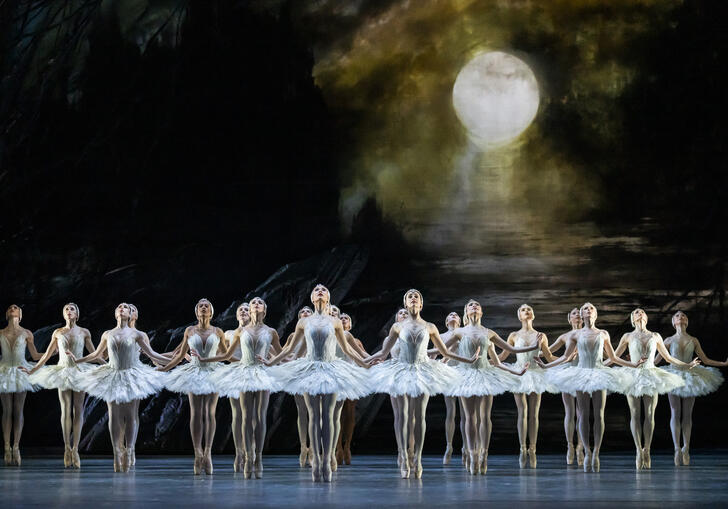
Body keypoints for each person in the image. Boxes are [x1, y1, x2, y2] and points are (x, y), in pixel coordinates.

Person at [261, 284, 371, 482]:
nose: (320, 290)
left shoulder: (335, 321)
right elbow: (290, 350)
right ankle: (316, 458)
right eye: (316, 289)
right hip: (310, 368)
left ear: (328, 298)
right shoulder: (304, 322)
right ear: (312, 298)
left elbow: (347, 349)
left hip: (331, 368)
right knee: (314, 415)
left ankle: (327, 459)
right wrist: (270, 362)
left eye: (324, 289)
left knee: (328, 416)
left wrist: (366, 362)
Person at [365, 289, 479, 479]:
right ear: (406, 303)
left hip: (422, 370)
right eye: (410, 296)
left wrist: (467, 360)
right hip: (402, 370)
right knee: (402, 415)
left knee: (419, 415)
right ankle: (403, 453)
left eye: (416, 296)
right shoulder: (397, 328)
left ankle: (416, 458)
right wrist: (364, 362)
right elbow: (383, 353)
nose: (413, 298)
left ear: (421, 304)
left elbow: (446, 352)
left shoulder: (430, 326)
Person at [537, 302, 643, 472]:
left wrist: (633, 364)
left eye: (591, 308)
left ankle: (597, 453)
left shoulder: (603, 333)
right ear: (582, 313)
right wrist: (545, 366)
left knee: (599, 414)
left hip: (599, 373)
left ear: (595, 314)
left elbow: (613, 357)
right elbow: (565, 357)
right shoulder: (575, 335)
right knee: (584, 415)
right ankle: (587, 451)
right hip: (581, 374)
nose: (588, 310)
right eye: (585, 308)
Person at [71, 303, 168, 472]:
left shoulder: (137, 334)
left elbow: (152, 354)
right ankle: (117, 452)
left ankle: (129, 450)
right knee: (114, 414)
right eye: (119, 307)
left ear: (130, 314)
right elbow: (96, 354)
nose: (122, 308)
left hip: (132, 374)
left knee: (130, 415)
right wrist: (77, 360)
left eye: (126, 307)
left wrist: (176, 360)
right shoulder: (108, 334)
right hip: (112, 373)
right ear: (116, 313)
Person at [196, 297, 281, 478]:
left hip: (258, 372)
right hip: (238, 373)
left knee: (258, 416)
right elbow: (223, 353)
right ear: (237, 315)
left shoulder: (267, 332)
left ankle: (256, 456)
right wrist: (203, 359)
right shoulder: (230, 333)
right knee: (240, 415)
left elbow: (277, 353)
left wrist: (274, 361)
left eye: (246, 308)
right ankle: (242, 453)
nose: (244, 311)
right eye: (241, 309)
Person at [445, 299, 532, 475]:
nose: (474, 306)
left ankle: (484, 453)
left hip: (486, 374)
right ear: (466, 312)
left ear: (482, 311)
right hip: (466, 375)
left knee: (484, 416)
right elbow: (442, 350)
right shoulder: (459, 332)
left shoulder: (488, 332)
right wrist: (424, 355)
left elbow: (510, 350)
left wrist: (518, 370)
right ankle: (472, 453)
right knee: (470, 417)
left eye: (477, 304)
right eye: (470, 305)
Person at [611, 308, 699, 469]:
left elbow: (668, 357)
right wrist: (599, 366)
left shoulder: (655, 336)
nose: (640, 313)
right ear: (632, 318)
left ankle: (647, 450)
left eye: (642, 311)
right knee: (635, 413)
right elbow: (614, 357)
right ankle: (638, 450)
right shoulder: (627, 336)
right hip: (633, 376)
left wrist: (687, 365)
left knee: (650, 414)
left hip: (651, 375)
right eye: (636, 312)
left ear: (646, 317)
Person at [24, 303, 100, 468]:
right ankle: (66, 448)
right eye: (66, 309)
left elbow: (94, 354)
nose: (69, 311)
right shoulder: (57, 332)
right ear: (63, 314)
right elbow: (46, 356)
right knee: (66, 409)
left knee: (78, 410)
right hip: (63, 371)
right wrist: (33, 369)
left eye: (72, 309)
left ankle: (75, 449)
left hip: (79, 371)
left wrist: (108, 365)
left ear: (77, 314)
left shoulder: (84, 332)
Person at [158, 298, 227, 474]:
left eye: (206, 306)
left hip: (213, 371)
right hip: (194, 371)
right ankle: (197, 453)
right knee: (196, 412)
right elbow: (180, 355)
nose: (203, 308)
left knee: (209, 412)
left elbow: (224, 354)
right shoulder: (189, 331)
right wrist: (164, 368)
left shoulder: (218, 331)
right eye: (200, 306)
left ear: (211, 312)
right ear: (196, 312)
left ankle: (208, 452)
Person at [658, 311, 727, 465]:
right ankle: (676, 449)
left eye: (683, 315)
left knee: (687, 414)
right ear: (673, 322)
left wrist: (723, 363)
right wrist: (638, 362)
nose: (680, 317)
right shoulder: (668, 340)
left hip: (690, 376)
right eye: (677, 315)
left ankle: (686, 448)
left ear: (686, 321)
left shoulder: (693, 339)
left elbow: (705, 359)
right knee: (675, 412)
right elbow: (656, 360)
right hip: (673, 375)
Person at [498, 304, 555, 468]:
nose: (527, 311)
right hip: (519, 372)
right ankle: (522, 448)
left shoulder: (541, 335)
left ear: (533, 315)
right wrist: (486, 360)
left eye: (529, 309)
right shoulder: (514, 335)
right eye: (523, 309)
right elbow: (503, 355)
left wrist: (568, 359)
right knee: (522, 412)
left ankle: (533, 449)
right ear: (519, 316)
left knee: (534, 414)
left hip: (536, 373)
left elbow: (549, 357)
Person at [0, 304, 42, 465]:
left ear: (20, 314)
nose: (12, 308)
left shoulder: (26, 333)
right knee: (7, 410)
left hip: (20, 370)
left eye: (16, 307)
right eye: (10, 307)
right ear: (6, 314)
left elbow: (35, 355)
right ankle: (6, 448)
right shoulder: (1, 333)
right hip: (4, 371)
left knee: (18, 410)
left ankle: (16, 447)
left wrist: (52, 351)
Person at [544, 308, 586, 465]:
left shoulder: (587, 333)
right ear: (569, 318)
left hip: (583, 373)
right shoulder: (564, 336)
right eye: (574, 313)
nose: (577, 315)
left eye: (579, 314)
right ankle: (570, 445)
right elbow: (548, 353)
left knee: (581, 412)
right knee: (569, 412)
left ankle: (580, 447)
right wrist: (536, 345)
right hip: (568, 373)